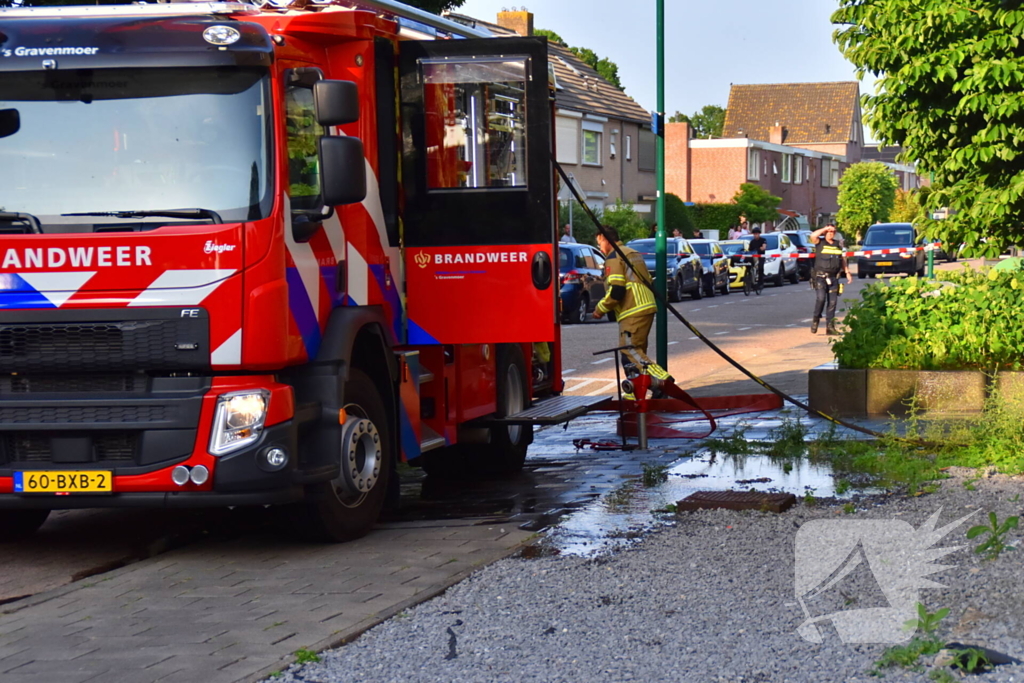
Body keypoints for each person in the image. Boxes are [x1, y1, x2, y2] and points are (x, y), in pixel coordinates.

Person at [593, 225, 671, 397]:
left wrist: (600, 309)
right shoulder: (632, 252)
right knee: (632, 355)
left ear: (606, 239)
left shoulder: (614, 257)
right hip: (646, 305)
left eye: (599, 243)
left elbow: (617, 290)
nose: (600, 248)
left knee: (630, 350)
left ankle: (662, 379)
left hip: (633, 309)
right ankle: (637, 393)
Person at [809, 224, 852, 335]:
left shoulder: (838, 245)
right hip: (820, 277)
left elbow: (842, 259)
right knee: (821, 299)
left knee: (832, 302)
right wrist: (824, 228)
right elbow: (813, 235)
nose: (831, 233)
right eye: (829, 231)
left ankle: (830, 327)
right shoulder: (820, 242)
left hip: (833, 278)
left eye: (833, 231)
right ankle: (816, 320)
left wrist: (847, 272)